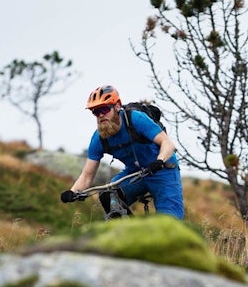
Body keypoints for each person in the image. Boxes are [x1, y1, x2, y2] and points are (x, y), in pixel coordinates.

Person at [61, 85, 185, 219]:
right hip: (135, 174)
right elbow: (87, 175)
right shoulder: (99, 138)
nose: (101, 115)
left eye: (104, 109)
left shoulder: (136, 119)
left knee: (170, 222)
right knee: (108, 195)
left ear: (117, 106)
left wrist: (159, 161)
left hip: (163, 170)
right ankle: (130, 234)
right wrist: (73, 191)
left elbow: (167, 143)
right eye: (96, 112)